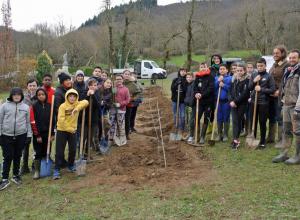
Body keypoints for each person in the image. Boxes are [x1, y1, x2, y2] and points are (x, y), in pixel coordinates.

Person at [0, 88, 32, 190]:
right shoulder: (4, 106)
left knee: (18, 155)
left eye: (19, 94)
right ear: (11, 95)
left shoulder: (26, 107)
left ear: (21, 96)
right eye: (14, 95)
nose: (17, 96)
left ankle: (15, 175)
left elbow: (28, 123)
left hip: (21, 135)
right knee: (7, 156)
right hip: (6, 135)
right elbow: (0, 121)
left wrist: (29, 135)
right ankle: (5, 178)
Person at [53, 89, 89, 180]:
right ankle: (56, 169)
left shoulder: (77, 104)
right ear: (67, 97)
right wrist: (69, 129)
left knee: (73, 149)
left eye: (74, 96)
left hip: (73, 130)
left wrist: (76, 109)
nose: (72, 98)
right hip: (62, 130)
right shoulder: (63, 106)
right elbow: (61, 121)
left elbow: (86, 102)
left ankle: (71, 165)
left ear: (76, 97)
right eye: (70, 96)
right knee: (59, 151)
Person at [272, 49, 300, 164]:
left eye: (294, 57)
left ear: (298, 59)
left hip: (295, 107)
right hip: (286, 105)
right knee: (286, 130)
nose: (292, 59)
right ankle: (284, 153)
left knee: (298, 131)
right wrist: (282, 102)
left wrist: (298, 109)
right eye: (290, 57)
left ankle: (298, 156)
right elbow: (284, 88)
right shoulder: (289, 71)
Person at [248, 58, 275, 149]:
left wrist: (261, 89)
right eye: (258, 66)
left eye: (261, 66)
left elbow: (272, 89)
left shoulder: (269, 76)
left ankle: (262, 141)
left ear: (265, 66)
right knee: (253, 121)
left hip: (263, 102)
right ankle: (253, 138)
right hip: (253, 102)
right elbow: (249, 88)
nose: (259, 67)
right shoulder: (254, 74)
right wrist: (254, 81)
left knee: (262, 122)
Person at [30, 88, 55, 179]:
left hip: (48, 134)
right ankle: (37, 171)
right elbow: (33, 122)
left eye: (42, 94)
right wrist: (37, 135)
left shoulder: (49, 106)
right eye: (39, 95)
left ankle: (45, 168)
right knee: (38, 152)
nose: (41, 96)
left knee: (46, 151)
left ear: (46, 95)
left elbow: (53, 121)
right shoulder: (34, 106)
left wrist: (52, 133)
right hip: (38, 135)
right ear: (37, 96)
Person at [267, 45, 289, 144]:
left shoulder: (286, 65)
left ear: (283, 53)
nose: (275, 55)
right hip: (270, 95)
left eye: (277, 53)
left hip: (279, 95)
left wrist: (280, 91)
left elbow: (287, 80)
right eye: (274, 53)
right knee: (271, 116)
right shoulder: (274, 65)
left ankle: (281, 140)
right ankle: (271, 138)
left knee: (279, 117)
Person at [229, 64, 250, 149]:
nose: (239, 72)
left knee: (237, 121)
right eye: (237, 70)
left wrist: (235, 101)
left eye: (241, 70)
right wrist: (231, 100)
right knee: (234, 122)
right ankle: (235, 138)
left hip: (242, 104)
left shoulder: (247, 80)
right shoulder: (233, 79)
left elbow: (245, 94)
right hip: (233, 104)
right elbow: (229, 91)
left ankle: (236, 140)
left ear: (244, 71)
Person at [193, 63, 215, 144]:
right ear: (199, 68)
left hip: (208, 102)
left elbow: (210, 88)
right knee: (197, 118)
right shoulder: (197, 77)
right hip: (199, 101)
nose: (203, 68)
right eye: (201, 67)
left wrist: (202, 95)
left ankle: (202, 136)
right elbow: (195, 87)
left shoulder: (210, 77)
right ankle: (197, 135)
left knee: (206, 118)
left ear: (207, 67)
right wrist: (196, 93)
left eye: (204, 67)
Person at [21, 79, 38, 174]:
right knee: (25, 146)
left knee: (36, 146)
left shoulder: (39, 95)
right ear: (27, 87)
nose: (32, 87)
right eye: (30, 85)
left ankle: (34, 165)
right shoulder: (23, 98)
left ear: (37, 86)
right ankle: (24, 166)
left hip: (36, 124)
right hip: (26, 125)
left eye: (34, 85)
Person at [108, 74, 130, 145]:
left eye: (120, 79)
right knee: (111, 123)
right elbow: (111, 97)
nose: (118, 80)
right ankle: (111, 138)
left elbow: (127, 100)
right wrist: (113, 102)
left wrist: (120, 104)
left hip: (121, 110)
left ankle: (119, 137)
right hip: (113, 109)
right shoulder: (114, 88)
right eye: (117, 79)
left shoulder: (125, 89)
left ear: (122, 80)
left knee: (119, 124)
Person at [215, 64, 232, 142]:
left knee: (226, 117)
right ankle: (219, 134)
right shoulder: (216, 78)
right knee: (219, 118)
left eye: (223, 69)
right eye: (220, 69)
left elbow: (231, 89)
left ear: (227, 70)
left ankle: (225, 134)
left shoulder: (230, 78)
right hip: (218, 102)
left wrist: (224, 85)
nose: (221, 70)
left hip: (226, 102)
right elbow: (213, 88)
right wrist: (218, 82)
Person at [85, 79, 102, 153]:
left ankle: (97, 148)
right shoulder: (85, 93)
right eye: (91, 85)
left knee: (95, 134)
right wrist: (88, 96)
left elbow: (98, 105)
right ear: (88, 86)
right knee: (87, 135)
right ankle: (86, 151)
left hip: (95, 118)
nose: (93, 87)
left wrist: (93, 95)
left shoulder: (97, 94)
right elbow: (84, 104)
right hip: (86, 119)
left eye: (95, 85)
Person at [123, 70, 141, 140]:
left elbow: (138, 93)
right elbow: (114, 92)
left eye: (128, 74)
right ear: (123, 74)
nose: (126, 75)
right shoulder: (119, 83)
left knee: (127, 119)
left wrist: (133, 99)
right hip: (119, 105)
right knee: (119, 120)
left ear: (130, 76)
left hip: (128, 104)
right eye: (125, 74)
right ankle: (119, 134)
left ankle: (127, 134)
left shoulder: (133, 84)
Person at [170, 68, 188, 137]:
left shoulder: (186, 80)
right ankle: (176, 127)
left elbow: (186, 90)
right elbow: (172, 89)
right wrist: (177, 83)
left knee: (182, 115)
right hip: (175, 100)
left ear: (186, 72)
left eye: (184, 71)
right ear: (179, 72)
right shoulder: (175, 80)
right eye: (181, 71)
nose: (183, 72)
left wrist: (182, 83)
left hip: (182, 101)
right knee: (175, 114)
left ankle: (181, 128)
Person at [183, 72, 195, 143]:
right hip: (187, 104)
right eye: (187, 77)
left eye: (190, 77)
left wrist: (190, 104)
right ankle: (189, 134)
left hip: (192, 105)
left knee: (191, 121)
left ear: (193, 77)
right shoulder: (187, 85)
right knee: (187, 120)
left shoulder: (193, 84)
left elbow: (192, 95)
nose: (188, 78)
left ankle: (192, 136)